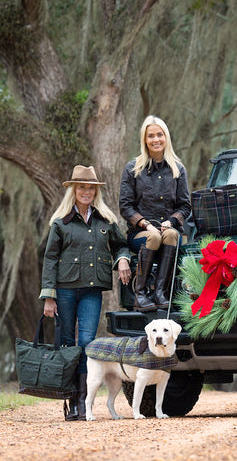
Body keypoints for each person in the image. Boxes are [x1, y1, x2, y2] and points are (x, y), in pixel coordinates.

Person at [40, 165, 132, 421]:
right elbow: (50, 258)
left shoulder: (105, 220)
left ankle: (84, 402)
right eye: (82, 187)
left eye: (90, 188)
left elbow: (121, 245)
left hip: (92, 291)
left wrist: (122, 259)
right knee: (67, 342)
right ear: (73, 190)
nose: (86, 192)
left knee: (87, 343)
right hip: (65, 290)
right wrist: (49, 295)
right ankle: (72, 402)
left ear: (95, 192)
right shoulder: (61, 222)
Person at [119, 115, 191, 312]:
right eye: (151, 136)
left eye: (160, 135)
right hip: (141, 233)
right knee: (154, 236)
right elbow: (125, 206)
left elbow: (185, 206)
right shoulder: (132, 168)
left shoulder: (178, 169)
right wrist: (146, 224)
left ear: (166, 137)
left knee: (171, 235)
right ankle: (141, 294)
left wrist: (171, 222)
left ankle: (161, 292)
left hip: (168, 232)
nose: (156, 139)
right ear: (144, 139)